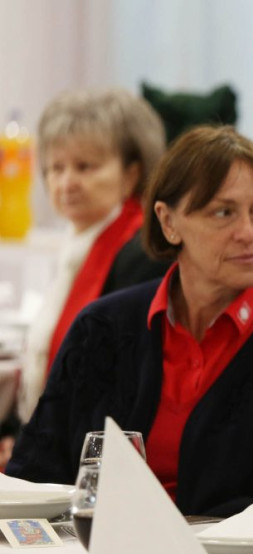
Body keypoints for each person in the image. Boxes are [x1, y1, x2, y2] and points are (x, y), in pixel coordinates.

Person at [6, 126, 253, 517]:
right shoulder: (102, 327)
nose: (249, 233)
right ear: (168, 222)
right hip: (90, 544)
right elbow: (33, 473)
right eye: (224, 212)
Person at [16, 88, 171, 424]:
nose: (66, 182)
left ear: (131, 174)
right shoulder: (76, 242)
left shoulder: (144, 253)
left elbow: (118, 387)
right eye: (56, 168)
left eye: (84, 167)